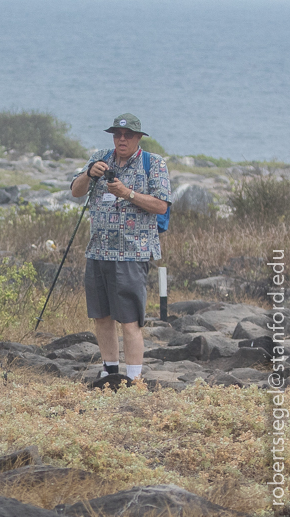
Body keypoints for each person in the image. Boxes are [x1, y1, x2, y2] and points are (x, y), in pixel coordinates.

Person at [70, 113, 171, 381]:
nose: (121, 140)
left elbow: (161, 205)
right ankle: (110, 370)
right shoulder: (99, 157)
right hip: (98, 251)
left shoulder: (155, 163)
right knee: (101, 316)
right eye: (117, 135)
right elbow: (76, 191)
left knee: (129, 319)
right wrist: (90, 174)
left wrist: (128, 194)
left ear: (139, 138)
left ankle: (135, 378)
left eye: (127, 135)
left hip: (133, 252)